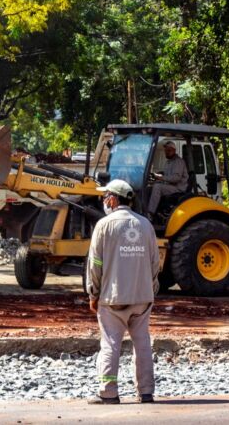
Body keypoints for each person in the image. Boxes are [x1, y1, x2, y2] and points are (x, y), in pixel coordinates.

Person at [86, 179, 159, 405]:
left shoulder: (104, 225)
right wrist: (150, 291)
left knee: (110, 344)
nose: (104, 200)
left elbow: (95, 264)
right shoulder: (146, 225)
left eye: (106, 195)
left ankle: (108, 393)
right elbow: (155, 264)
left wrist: (93, 294)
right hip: (142, 299)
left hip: (112, 299)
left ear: (114, 199)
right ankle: (146, 392)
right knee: (143, 344)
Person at [145, 140, 189, 219]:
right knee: (150, 187)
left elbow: (176, 178)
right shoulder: (169, 162)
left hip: (178, 188)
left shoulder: (178, 162)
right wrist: (157, 177)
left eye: (169, 150)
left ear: (174, 150)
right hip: (171, 186)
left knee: (157, 187)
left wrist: (161, 177)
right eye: (165, 151)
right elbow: (166, 175)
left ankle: (150, 213)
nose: (166, 152)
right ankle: (150, 210)